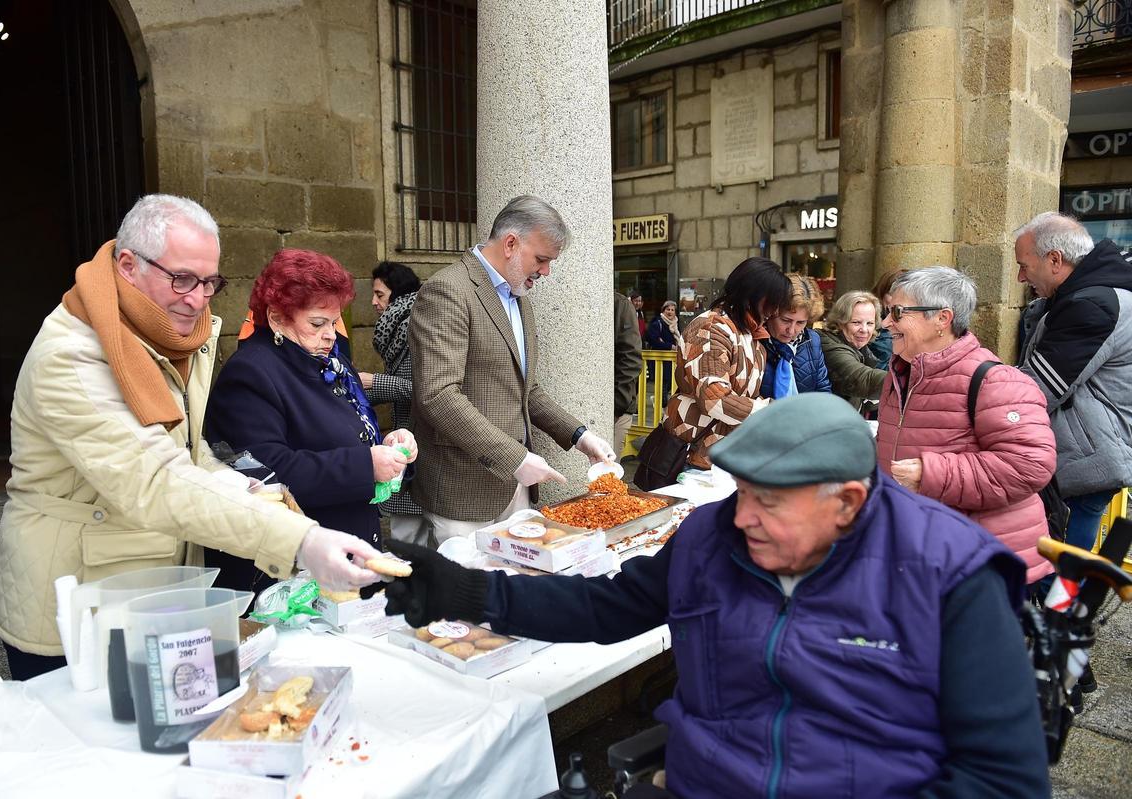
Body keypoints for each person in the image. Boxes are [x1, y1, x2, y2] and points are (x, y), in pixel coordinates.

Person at [371, 393, 1050, 799]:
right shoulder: (712, 536)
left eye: (768, 501)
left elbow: (1002, 779)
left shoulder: (949, 574)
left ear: (847, 501)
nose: (741, 516)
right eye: (740, 492)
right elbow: (607, 606)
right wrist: (466, 589)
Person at [0, 195, 385, 681]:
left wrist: (248, 488)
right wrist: (299, 539)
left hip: (158, 590)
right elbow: (155, 479)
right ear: (128, 266)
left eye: (209, 282)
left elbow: (192, 453)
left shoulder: (178, 337)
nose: (197, 298)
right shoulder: (71, 355)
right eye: (181, 279)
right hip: (80, 602)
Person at [205, 249, 417, 594]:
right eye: (318, 324)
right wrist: (365, 465)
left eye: (334, 322)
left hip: (348, 556)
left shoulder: (333, 365)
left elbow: (348, 436)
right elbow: (265, 475)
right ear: (276, 318)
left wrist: (389, 446)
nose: (331, 335)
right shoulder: (250, 374)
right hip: (293, 574)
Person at [408, 195, 617, 543]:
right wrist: (516, 458)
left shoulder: (519, 299)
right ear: (510, 244)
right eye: (541, 259)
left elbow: (526, 389)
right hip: (463, 491)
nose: (546, 272)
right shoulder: (447, 290)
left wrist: (580, 436)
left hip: (515, 489)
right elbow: (439, 395)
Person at [875, 266, 1056, 584]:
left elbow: (1030, 465)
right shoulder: (902, 372)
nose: (885, 323)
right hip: (924, 555)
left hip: (981, 564)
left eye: (898, 312)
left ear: (942, 319)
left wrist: (930, 474)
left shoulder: (995, 380)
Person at [1015, 211, 1132, 554]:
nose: (1021, 277)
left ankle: (1063, 593)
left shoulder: (1092, 303)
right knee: (1063, 566)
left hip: (1084, 463)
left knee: (1057, 568)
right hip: (1090, 457)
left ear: (1055, 260)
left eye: (1024, 265)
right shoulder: (1096, 294)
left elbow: (1038, 389)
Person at [663, 257, 790, 470]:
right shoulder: (710, 328)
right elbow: (714, 398)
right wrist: (769, 410)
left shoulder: (751, 333)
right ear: (751, 295)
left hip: (726, 453)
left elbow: (744, 393)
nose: (775, 311)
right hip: (692, 452)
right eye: (772, 303)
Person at [359, 260, 427, 544]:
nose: (374, 302)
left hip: (421, 442)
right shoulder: (396, 327)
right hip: (406, 439)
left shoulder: (417, 326)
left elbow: (427, 390)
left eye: (380, 294)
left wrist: (373, 382)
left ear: (398, 294)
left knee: (410, 536)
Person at [760, 273, 831, 398]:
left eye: (800, 322)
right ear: (770, 313)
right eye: (785, 320)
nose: (791, 330)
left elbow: (823, 392)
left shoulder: (813, 341)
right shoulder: (752, 340)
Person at [820, 290, 887, 414]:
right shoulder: (829, 345)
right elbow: (862, 379)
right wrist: (908, 380)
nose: (864, 330)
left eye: (870, 323)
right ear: (840, 322)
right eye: (856, 322)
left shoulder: (860, 349)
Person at [613, 291, 642, 458]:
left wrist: (617, 406)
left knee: (607, 468)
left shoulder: (620, 304)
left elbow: (631, 358)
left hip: (617, 407)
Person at [867, 268, 907, 370]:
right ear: (881, 293)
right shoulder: (869, 321)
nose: (897, 301)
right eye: (892, 294)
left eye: (905, 295)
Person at [645, 299, 679, 412]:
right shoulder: (657, 323)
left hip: (670, 360)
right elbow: (654, 340)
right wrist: (670, 346)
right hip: (659, 360)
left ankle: (659, 402)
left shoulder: (674, 324)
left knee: (669, 383)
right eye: (668, 309)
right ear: (663, 310)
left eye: (672, 310)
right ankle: (662, 407)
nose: (670, 312)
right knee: (663, 384)